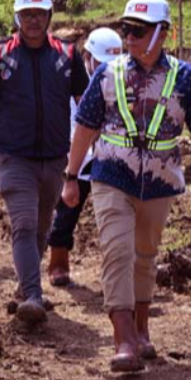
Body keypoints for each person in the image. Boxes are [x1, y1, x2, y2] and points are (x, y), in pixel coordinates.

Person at [64, 0, 191, 372]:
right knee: (116, 250)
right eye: (127, 29)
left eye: (139, 30)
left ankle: (141, 328)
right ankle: (123, 339)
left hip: (160, 179)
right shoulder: (108, 74)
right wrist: (72, 176)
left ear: (162, 33)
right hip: (111, 174)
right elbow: (86, 126)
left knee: (145, 254)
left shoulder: (185, 79)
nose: (130, 37)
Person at [0, 0, 90, 325]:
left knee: (42, 228)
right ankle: (34, 295)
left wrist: (96, 149)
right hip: (11, 156)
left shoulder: (67, 56)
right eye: (26, 14)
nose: (33, 20)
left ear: (50, 15)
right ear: (17, 17)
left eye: (39, 14)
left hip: (54, 159)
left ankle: (25, 286)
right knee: (24, 223)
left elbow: (88, 106)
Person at [48, 28, 123, 287]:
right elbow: (72, 127)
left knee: (119, 219)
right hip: (79, 160)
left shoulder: (125, 85)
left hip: (113, 161)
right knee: (66, 213)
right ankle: (58, 262)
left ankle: (121, 275)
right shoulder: (73, 87)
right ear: (88, 57)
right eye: (100, 62)